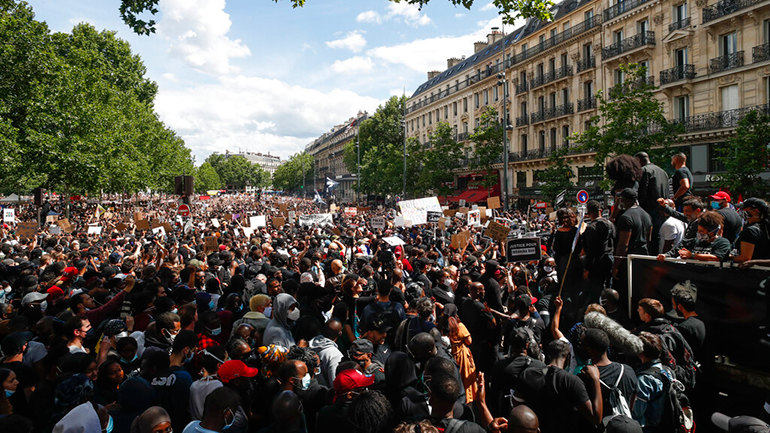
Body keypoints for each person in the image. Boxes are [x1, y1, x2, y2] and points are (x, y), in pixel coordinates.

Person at [633, 332, 675, 432]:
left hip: (649, 427)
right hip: (666, 424)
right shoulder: (667, 371)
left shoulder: (644, 379)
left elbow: (637, 412)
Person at [659, 210, 731, 262]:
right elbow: (679, 249)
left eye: (702, 231)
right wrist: (666, 255)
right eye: (698, 230)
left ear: (712, 232)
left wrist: (692, 255)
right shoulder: (694, 241)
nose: (699, 233)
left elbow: (717, 257)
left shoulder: (723, 243)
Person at [613, 188, 652, 280]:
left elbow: (623, 245)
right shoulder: (647, 215)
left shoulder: (625, 217)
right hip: (643, 257)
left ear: (624, 200)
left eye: (620, 199)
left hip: (629, 260)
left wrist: (615, 266)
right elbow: (648, 239)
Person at [635, 151, 670, 254]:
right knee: (661, 236)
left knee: (650, 238)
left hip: (649, 209)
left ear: (638, 160)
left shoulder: (644, 170)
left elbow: (642, 192)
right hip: (663, 209)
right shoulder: (663, 171)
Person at [459, 282, 497, 373]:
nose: (484, 291)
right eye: (482, 289)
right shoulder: (480, 306)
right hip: (482, 342)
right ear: (477, 291)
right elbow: (493, 324)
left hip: (472, 340)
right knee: (484, 368)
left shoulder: (465, 303)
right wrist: (489, 313)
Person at [582, 200, 615, 302]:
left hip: (597, 263)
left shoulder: (591, 228)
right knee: (608, 288)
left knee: (597, 292)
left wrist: (587, 269)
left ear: (588, 212)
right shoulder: (610, 224)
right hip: (610, 260)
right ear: (600, 210)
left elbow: (590, 251)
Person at [308, 318, 344, 388]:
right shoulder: (334, 355)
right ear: (340, 333)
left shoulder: (310, 345)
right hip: (324, 395)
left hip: (310, 392)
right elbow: (334, 383)